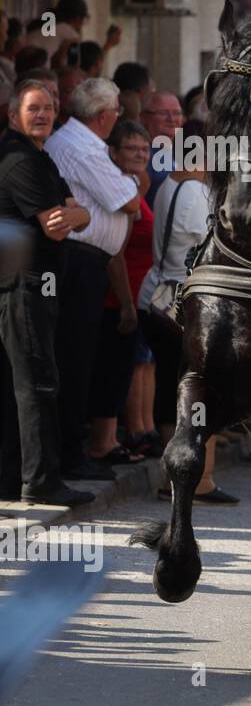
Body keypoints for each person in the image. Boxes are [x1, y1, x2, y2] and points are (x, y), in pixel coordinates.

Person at [0, 81, 93, 506]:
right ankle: (40, 481)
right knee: (36, 382)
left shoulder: (42, 157)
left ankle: (15, 476)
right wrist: (74, 213)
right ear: (13, 115)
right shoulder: (18, 159)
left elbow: (80, 213)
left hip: (37, 286)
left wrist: (74, 213)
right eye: (34, 108)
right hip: (23, 287)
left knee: (24, 382)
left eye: (49, 108)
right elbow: (56, 223)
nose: (43, 115)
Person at [45, 78, 140, 481]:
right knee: (72, 358)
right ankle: (68, 455)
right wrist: (132, 184)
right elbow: (129, 201)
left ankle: (70, 450)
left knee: (80, 357)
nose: (118, 117)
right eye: (117, 111)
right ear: (103, 116)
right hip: (77, 261)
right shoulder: (81, 146)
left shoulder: (86, 143)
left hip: (88, 263)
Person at [137, 148, 233, 504]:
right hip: (182, 302)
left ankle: (173, 476)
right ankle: (197, 479)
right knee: (198, 388)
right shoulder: (194, 193)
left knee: (169, 386)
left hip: (156, 295)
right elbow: (214, 240)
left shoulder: (166, 187)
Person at [85, 119, 151, 467]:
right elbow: (117, 253)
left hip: (135, 295)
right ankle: (101, 443)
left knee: (124, 369)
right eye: (131, 148)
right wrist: (126, 304)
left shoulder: (135, 184)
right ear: (112, 152)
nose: (140, 154)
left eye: (144, 148)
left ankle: (110, 440)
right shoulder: (119, 189)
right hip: (118, 297)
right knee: (111, 371)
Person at [141, 90, 184, 206]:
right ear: (143, 117)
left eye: (177, 113)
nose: (171, 119)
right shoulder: (140, 154)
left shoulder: (185, 150)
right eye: (162, 113)